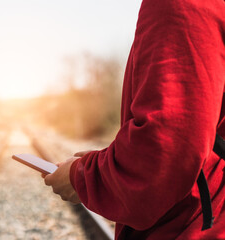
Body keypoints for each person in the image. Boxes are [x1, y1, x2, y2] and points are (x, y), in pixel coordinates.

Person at [43, 0, 225, 239]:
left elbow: (168, 146)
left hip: (191, 225)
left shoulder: (178, 4)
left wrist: (82, 177)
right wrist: (111, 160)